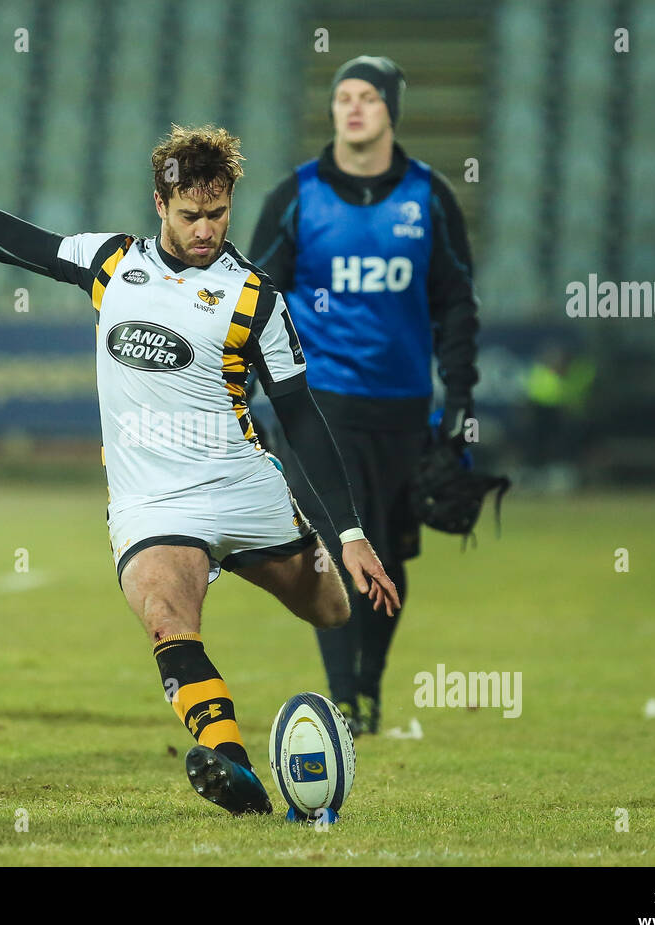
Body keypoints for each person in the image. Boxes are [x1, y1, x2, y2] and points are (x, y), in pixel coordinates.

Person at [0, 124, 400, 817]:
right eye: (190, 215)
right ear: (160, 204)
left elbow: (300, 418)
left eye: (217, 214)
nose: (206, 229)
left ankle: (269, 590)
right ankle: (233, 768)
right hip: (152, 504)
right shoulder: (112, 261)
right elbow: (11, 240)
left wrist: (352, 532)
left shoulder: (257, 300)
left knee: (332, 611)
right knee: (165, 618)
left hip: (242, 487)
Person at [248, 56, 480, 736]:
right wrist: (256, 388)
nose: (352, 108)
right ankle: (344, 696)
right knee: (335, 546)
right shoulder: (296, 195)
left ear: (391, 111)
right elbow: (256, 296)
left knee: (390, 554)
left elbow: (456, 304)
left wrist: (459, 400)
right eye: (343, 96)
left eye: (368, 98)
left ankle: (369, 691)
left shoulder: (429, 197)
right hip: (320, 405)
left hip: (405, 408)